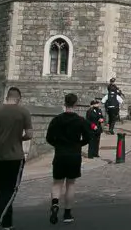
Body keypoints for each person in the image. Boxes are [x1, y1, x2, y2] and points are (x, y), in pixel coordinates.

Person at [0, 87, 33, 230]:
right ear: (19, 98)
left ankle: (7, 223)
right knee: (11, 190)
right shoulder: (23, 112)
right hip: (15, 156)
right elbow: (29, 134)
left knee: (2, 190)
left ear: (7, 97)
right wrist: (19, 138)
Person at [46, 93, 92, 225]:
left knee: (57, 183)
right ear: (76, 104)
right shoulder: (80, 120)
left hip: (60, 154)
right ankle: (67, 213)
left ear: (64, 103)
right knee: (70, 184)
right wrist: (78, 145)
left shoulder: (57, 120)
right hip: (74, 155)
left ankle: (55, 204)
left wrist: (58, 145)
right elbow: (88, 137)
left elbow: (49, 138)